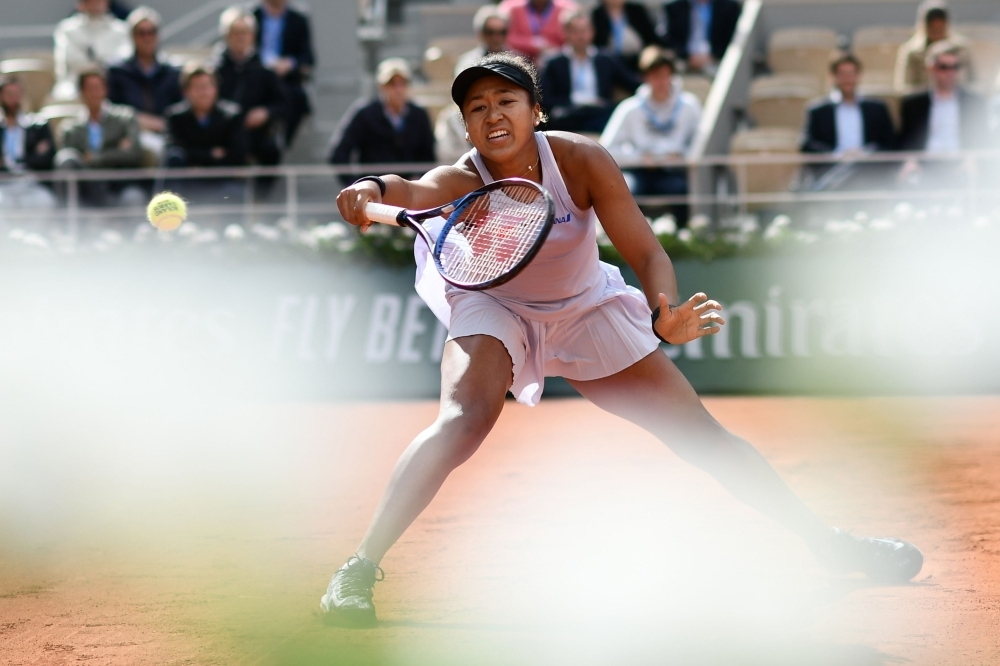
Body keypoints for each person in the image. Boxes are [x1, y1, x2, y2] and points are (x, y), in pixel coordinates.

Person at [321, 51, 924, 625]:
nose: (491, 114)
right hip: (494, 304)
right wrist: (372, 188)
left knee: (701, 434)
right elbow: (413, 192)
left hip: (586, 307)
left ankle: (829, 544)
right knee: (463, 417)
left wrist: (663, 314)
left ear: (536, 111)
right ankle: (355, 570)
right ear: (466, 125)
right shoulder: (461, 177)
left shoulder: (581, 160)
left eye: (505, 100)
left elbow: (645, 250)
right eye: (476, 107)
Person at [599, 47, 700, 224]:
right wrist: (639, 158)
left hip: (672, 171)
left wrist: (682, 156)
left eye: (664, 76)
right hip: (639, 171)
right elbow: (606, 149)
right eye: (655, 77)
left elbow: (700, 142)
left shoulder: (689, 106)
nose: (661, 82)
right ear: (645, 78)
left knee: (683, 190)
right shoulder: (629, 109)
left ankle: (683, 236)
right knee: (627, 190)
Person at [328, 58, 435, 186]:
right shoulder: (364, 114)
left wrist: (421, 184)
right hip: (375, 193)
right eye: (392, 84)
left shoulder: (419, 114)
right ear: (381, 86)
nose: (398, 89)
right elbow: (338, 153)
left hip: (412, 194)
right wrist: (357, 186)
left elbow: (428, 154)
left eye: (403, 83)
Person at [800, 53, 898, 191]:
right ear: (832, 77)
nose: (847, 79)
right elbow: (807, 144)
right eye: (842, 74)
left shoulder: (877, 109)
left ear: (859, 76)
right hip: (833, 166)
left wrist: (863, 154)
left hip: (868, 171)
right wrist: (839, 155)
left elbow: (890, 143)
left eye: (851, 74)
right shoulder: (818, 110)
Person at [897, 42, 988, 188]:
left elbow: (983, 139)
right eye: (943, 67)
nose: (950, 72)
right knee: (910, 182)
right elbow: (905, 141)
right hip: (925, 166)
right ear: (931, 68)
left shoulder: (974, 102)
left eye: (955, 67)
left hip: (962, 164)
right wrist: (910, 161)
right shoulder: (913, 103)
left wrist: (973, 159)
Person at [540, 10, 639, 133]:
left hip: (598, 112)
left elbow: (632, 83)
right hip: (570, 113)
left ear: (592, 32)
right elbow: (546, 99)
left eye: (584, 31)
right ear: (565, 33)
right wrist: (572, 102)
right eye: (575, 31)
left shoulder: (606, 59)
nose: (581, 36)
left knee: (615, 115)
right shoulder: (554, 62)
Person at [55, 69, 143, 205]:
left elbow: (133, 154)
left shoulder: (124, 118)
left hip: (119, 184)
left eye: (97, 88)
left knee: (133, 198)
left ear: (105, 90)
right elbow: (72, 161)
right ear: (81, 93)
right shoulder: (71, 128)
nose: (94, 93)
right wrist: (116, 150)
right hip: (87, 188)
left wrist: (95, 157)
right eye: (89, 89)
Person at [106, 6, 183, 162]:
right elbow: (112, 108)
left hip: (167, 134)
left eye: (152, 32)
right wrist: (138, 121)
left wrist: (164, 125)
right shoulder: (117, 71)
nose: (147, 38)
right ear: (132, 36)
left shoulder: (173, 71)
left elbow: (181, 108)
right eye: (141, 33)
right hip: (129, 134)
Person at [215, 7, 288, 167]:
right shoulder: (215, 69)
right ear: (226, 36)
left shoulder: (264, 70)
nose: (241, 38)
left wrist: (266, 112)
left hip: (255, 133)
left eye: (245, 32)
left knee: (270, 150)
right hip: (221, 132)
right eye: (236, 32)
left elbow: (283, 103)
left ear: (253, 36)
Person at [252, 0, 315, 147]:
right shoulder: (252, 16)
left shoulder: (298, 20)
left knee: (297, 100)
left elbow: (308, 57)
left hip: (287, 80)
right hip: (256, 80)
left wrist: (289, 63)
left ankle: (282, 144)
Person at [165, 63, 247, 168]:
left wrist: (193, 155)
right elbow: (173, 152)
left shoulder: (232, 116)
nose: (203, 93)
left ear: (216, 88)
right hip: (187, 179)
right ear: (186, 91)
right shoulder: (175, 116)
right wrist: (210, 154)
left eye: (206, 86)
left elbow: (238, 154)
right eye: (197, 87)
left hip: (224, 178)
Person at [53, 0, 131, 101]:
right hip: (74, 86)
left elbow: (123, 61)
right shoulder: (67, 30)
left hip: (112, 85)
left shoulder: (121, 30)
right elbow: (70, 60)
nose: (95, 2)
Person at [894, 1, 972, 93]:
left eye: (940, 28)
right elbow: (903, 87)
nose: (937, 33)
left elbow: (972, 82)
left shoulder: (961, 50)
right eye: (933, 29)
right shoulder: (912, 53)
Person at [663, 0, 741, 75]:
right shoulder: (674, 7)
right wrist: (687, 57)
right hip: (683, 60)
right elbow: (670, 40)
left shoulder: (729, 7)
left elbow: (731, 40)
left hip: (717, 61)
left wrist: (712, 57)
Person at [0, 77, 56, 173]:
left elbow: (46, 157)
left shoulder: (38, 126)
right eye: (9, 94)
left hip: (32, 180)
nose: (13, 98)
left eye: (16, 94)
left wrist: (19, 161)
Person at [590, 0, 660, 74]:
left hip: (639, 63)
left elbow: (652, 39)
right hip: (611, 66)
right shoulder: (597, 15)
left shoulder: (637, 11)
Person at [500, 0, 578, 63]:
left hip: (555, 65)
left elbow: (570, 40)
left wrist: (552, 52)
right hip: (520, 63)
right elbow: (507, 38)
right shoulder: (512, 7)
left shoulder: (566, 8)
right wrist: (535, 45)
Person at [455, 6, 509, 76]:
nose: (497, 38)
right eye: (490, 32)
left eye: (502, 32)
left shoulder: (515, 61)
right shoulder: (468, 62)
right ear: (481, 34)